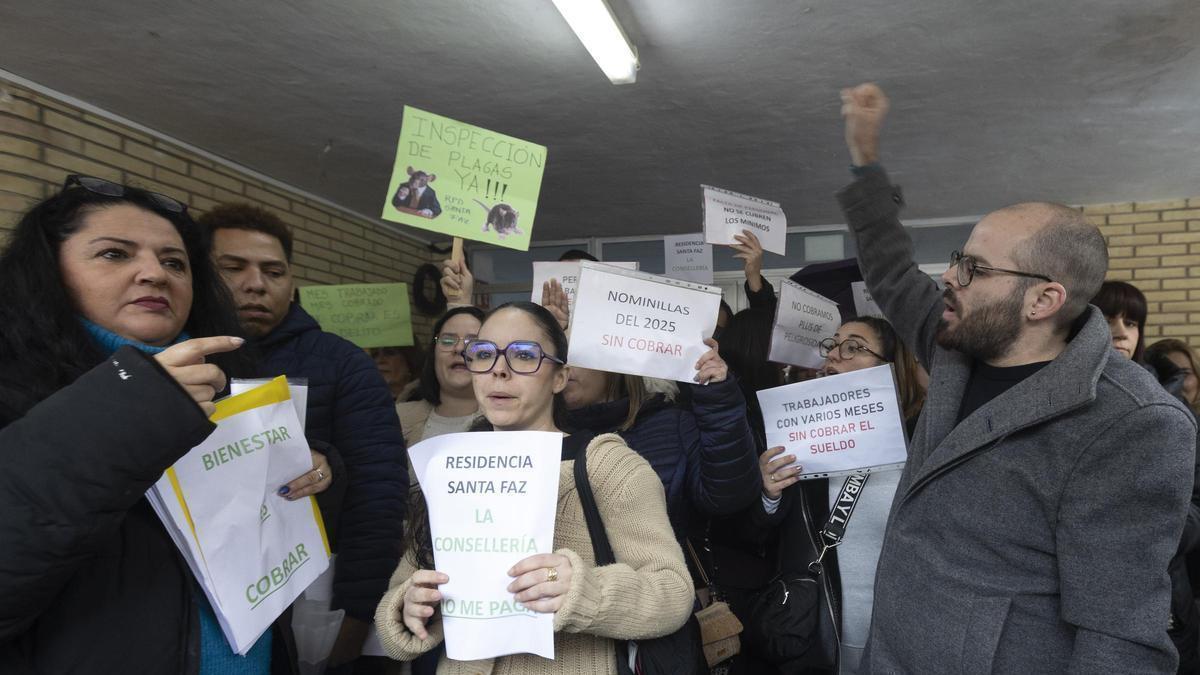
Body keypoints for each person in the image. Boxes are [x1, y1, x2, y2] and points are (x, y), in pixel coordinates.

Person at [837, 83, 1195, 671]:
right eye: (958, 258)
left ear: (1043, 300)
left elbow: (1120, 636)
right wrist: (865, 161)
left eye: (973, 268)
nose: (949, 277)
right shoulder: (959, 344)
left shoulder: (1132, 425)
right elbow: (890, 271)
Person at [0, 175, 331, 672]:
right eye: (115, 254)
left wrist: (320, 468)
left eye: (175, 262)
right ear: (48, 270)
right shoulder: (13, 389)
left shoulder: (229, 382)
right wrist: (138, 402)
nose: (154, 274)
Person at [374, 302, 694, 673]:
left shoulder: (607, 467)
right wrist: (410, 605)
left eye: (524, 356)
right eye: (484, 354)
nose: (499, 371)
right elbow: (396, 601)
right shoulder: (453, 467)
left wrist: (586, 589)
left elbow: (673, 591)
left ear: (560, 378)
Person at [202, 202, 408, 668]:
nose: (256, 283)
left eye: (273, 271)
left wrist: (355, 619)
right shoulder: (169, 359)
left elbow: (377, 502)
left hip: (307, 604)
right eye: (232, 268)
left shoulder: (343, 364)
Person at [755, 316, 925, 674]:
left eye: (854, 347)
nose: (835, 355)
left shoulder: (923, 440)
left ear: (890, 366)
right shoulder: (798, 440)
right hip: (821, 636)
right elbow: (759, 539)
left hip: (904, 638)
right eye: (833, 345)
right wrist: (768, 495)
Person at [1094, 285, 1200, 672]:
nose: (1121, 332)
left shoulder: (1173, 410)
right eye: (1106, 320)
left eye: (1132, 322)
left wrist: (1152, 522)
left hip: (1166, 603)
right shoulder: (1054, 400)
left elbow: (1196, 503)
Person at [562, 344, 762, 542]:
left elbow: (729, 496)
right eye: (556, 355)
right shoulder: (540, 434)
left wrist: (718, 398)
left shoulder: (673, 425)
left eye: (573, 352)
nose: (563, 366)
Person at [396, 307, 485, 447]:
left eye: (474, 343)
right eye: (448, 341)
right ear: (434, 354)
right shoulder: (397, 419)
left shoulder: (511, 425)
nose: (460, 348)